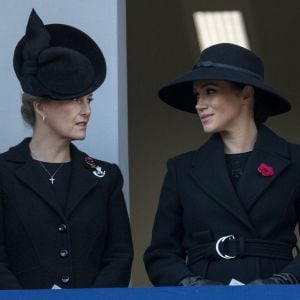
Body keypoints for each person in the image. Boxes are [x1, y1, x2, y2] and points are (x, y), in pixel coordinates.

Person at [144, 43, 300, 286]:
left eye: (210, 91)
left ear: (246, 94)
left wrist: (284, 281)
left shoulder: (295, 161)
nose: (199, 104)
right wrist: (192, 285)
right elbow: (161, 255)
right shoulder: (181, 169)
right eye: (197, 95)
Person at [0, 9, 133, 289]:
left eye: (89, 100)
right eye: (75, 100)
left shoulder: (106, 178)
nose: (86, 111)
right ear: (41, 107)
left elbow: (119, 257)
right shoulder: (3, 174)